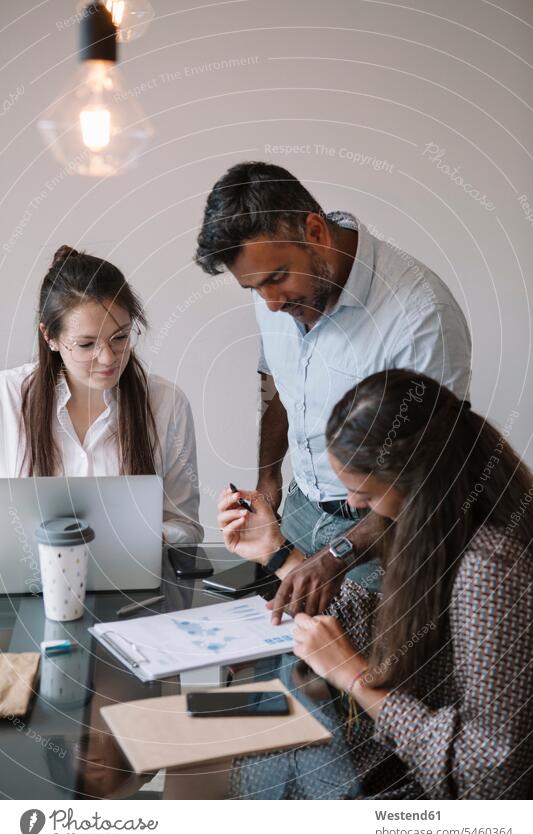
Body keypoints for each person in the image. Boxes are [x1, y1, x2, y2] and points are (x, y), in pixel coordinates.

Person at [217, 370, 532, 799]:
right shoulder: (439, 528)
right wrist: (273, 552)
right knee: (243, 736)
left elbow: (491, 776)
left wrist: (354, 677)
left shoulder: (489, 569)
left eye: (364, 493)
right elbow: (382, 628)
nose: (352, 505)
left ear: (416, 482)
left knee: (245, 760)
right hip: (398, 764)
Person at [196, 161, 472, 607]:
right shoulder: (275, 293)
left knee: (373, 669)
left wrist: (337, 554)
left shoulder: (421, 318)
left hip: (387, 529)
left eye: (276, 279)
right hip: (303, 505)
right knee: (297, 664)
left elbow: (429, 475)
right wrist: (270, 481)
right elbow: (281, 385)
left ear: (316, 233)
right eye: (253, 288)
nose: (270, 304)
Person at [0, 245, 202, 544]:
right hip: (27, 587)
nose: (108, 358)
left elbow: (185, 525)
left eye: (120, 337)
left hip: (136, 585)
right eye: (86, 345)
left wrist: (148, 538)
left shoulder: (166, 403)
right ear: (50, 337)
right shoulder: (8, 397)